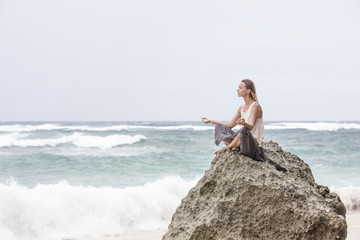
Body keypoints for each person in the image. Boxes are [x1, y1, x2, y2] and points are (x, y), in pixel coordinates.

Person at [201, 79, 266, 161]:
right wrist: (211, 121)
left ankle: (228, 147)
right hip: (241, 142)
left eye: (240, 88)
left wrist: (244, 123)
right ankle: (236, 146)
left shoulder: (255, 106)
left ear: (248, 90)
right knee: (219, 127)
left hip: (253, 146)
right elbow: (230, 125)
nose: (237, 90)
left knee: (244, 130)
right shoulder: (241, 108)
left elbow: (251, 127)